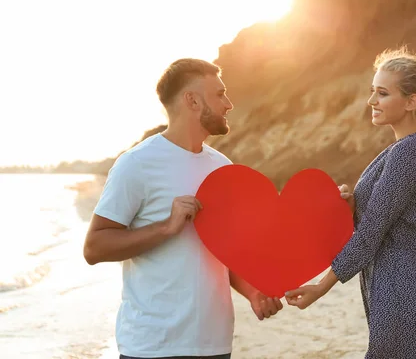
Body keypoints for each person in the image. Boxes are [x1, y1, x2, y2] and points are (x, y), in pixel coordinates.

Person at [83, 58, 283, 359]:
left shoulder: (221, 167)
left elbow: (223, 250)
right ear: (192, 100)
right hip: (152, 346)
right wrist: (166, 227)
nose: (228, 104)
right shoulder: (136, 164)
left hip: (215, 343)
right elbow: (94, 247)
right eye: (219, 94)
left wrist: (253, 292)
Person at [285, 47, 416, 358]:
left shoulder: (409, 153)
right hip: (389, 294)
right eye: (372, 92)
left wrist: (319, 287)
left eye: (382, 93)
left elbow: (370, 235)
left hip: (402, 300)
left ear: (411, 101)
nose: (371, 102)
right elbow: (379, 222)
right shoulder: (404, 149)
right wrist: (352, 208)